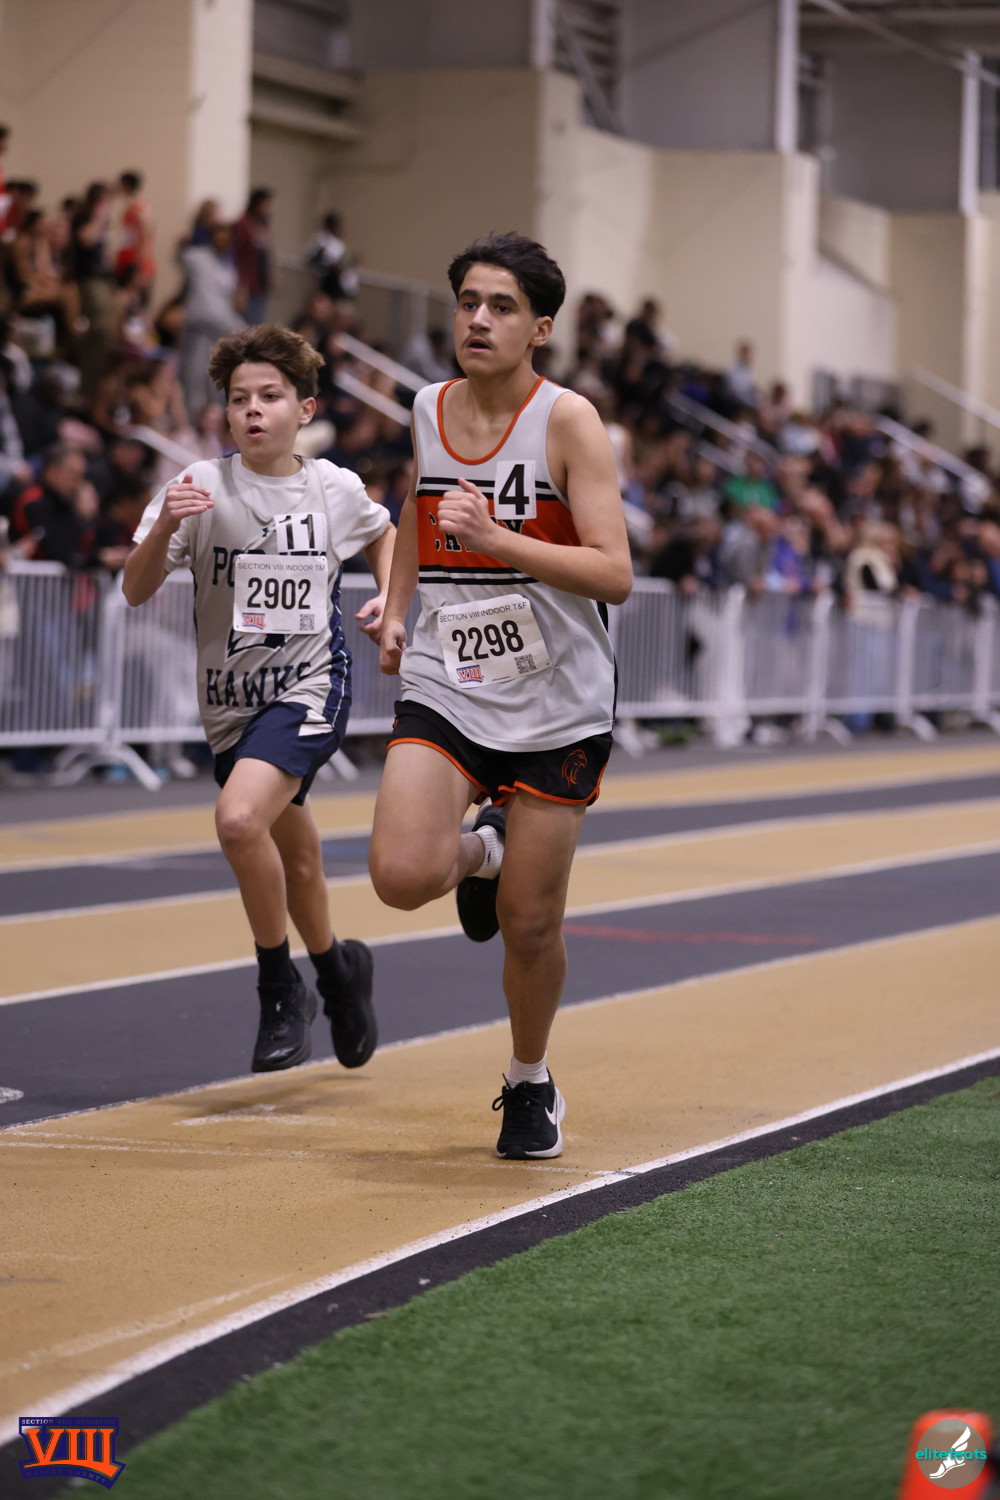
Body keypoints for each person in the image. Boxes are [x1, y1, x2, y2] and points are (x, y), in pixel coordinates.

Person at [367, 232, 632, 1160]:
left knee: (529, 922)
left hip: (558, 698)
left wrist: (499, 540)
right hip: (451, 678)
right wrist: (397, 606)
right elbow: (419, 506)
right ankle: (484, 849)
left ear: (540, 329)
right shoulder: (427, 406)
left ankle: (528, 1080)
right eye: (468, 303)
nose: (478, 320)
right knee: (400, 876)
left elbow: (614, 572)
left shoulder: (569, 422)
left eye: (502, 307)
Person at [123, 324, 395, 1075]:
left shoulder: (332, 487)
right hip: (230, 706)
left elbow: (384, 534)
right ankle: (339, 973)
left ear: (304, 409)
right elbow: (135, 588)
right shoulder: (198, 486)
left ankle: (280, 988)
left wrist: (391, 600)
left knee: (239, 821)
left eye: (269, 396)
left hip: (310, 686)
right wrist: (166, 526)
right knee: (296, 863)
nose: (252, 409)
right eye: (239, 398)